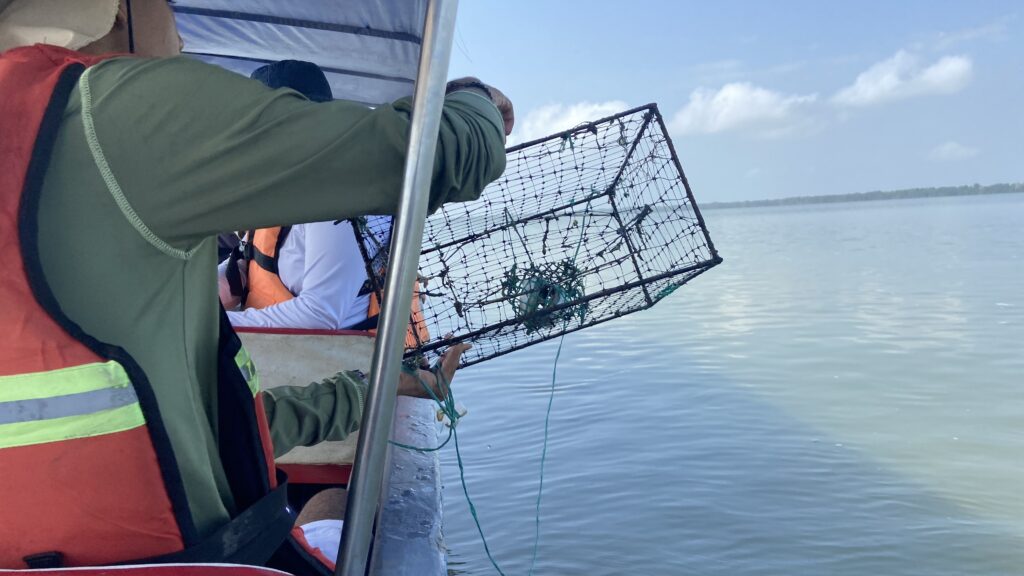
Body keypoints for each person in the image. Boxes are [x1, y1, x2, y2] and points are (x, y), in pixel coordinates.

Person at [0, 0, 511, 570]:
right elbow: (428, 158)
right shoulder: (118, 113)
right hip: (183, 552)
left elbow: (205, 420)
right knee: (329, 501)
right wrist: (475, 103)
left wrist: (373, 391)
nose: (179, 34)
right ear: (120, 11)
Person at [218, 60, 386, 331]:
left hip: (334, 362)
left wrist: (207, 325)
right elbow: (242, 267)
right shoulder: (284, 188)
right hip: (278, 351)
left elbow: (321, 314)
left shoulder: (339, 197)